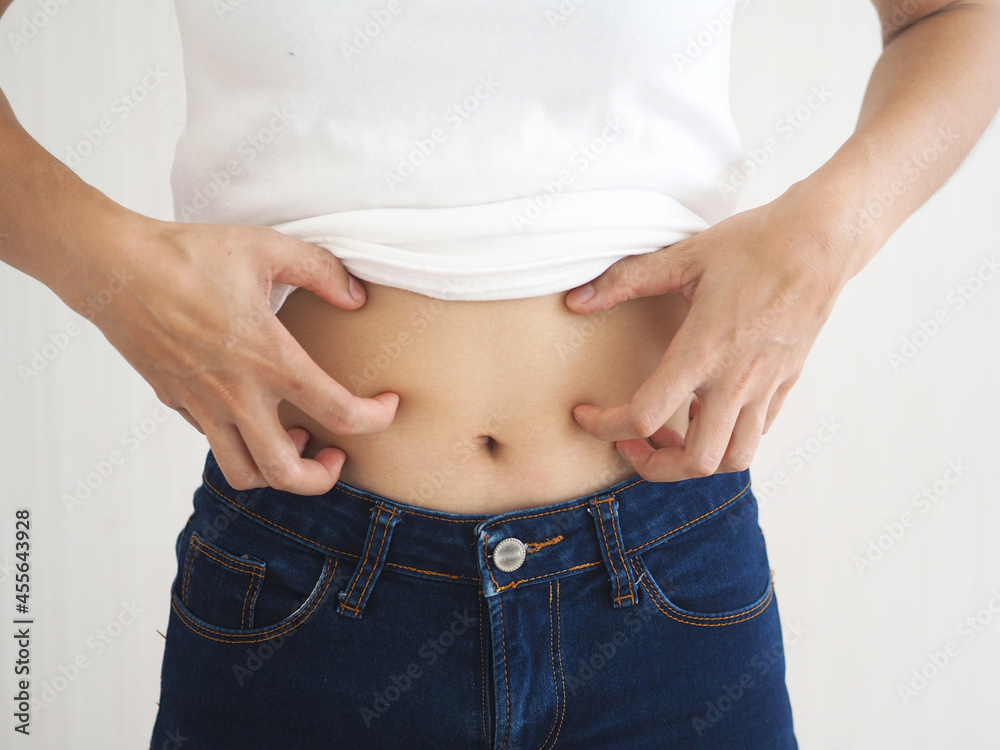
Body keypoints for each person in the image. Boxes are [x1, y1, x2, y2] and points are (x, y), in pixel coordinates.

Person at [2, 0, 999, 747]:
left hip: (663, 572)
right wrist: (106, 268)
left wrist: (829, 237)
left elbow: (951, 15)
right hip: (305, 578)